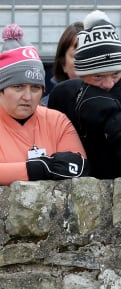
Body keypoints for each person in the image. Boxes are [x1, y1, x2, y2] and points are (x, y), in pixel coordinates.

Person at [47, 11, 121, 179]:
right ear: (81, 74)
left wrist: (115, 122)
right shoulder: (64, 95)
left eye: (115, 74)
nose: (109, 83)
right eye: (98, 76)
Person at [0, 23, 88, 185]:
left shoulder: (57, 121)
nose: (27, 96)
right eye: (18, 87)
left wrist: (13, 171)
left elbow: (79, 166)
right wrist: (39, 168)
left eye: (35, 88)